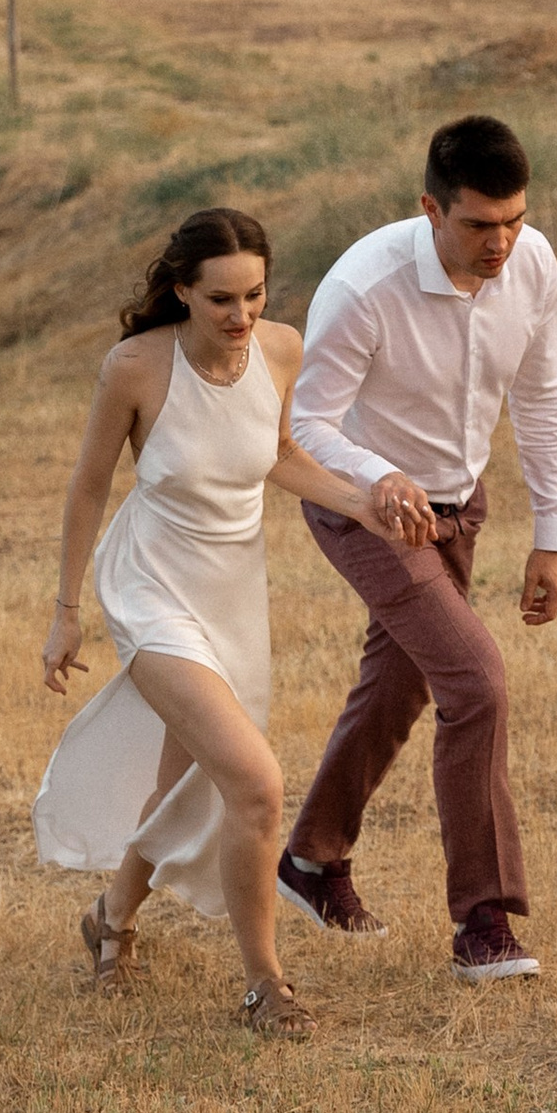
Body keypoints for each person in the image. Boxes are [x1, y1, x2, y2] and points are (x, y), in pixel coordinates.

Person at [35, 207, 435, 1038]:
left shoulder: (281, 351)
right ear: (182, 290)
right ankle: (265, 986)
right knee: (254, 783)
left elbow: (279, 453)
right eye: (221, 298)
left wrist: (365, 504)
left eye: (254, 295)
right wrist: (66, 613)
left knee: (186, 779)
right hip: (151, 590)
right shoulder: (134, 367)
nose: (241, 314)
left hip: (234, 597)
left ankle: (110, 919)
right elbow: (88, 485)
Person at [278, 112, 557, 986]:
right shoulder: (363, 286)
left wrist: (553, 538)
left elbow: (546, 396)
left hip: (459, 507)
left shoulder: (533, 264)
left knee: (402, 683)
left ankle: (311, 858)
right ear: (431, 209)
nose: (502, 242)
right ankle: (484, 922)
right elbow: (305, 425)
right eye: (481, 224)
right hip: (363, 508)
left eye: (514, 219)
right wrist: (379, 479)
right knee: (476, 683)